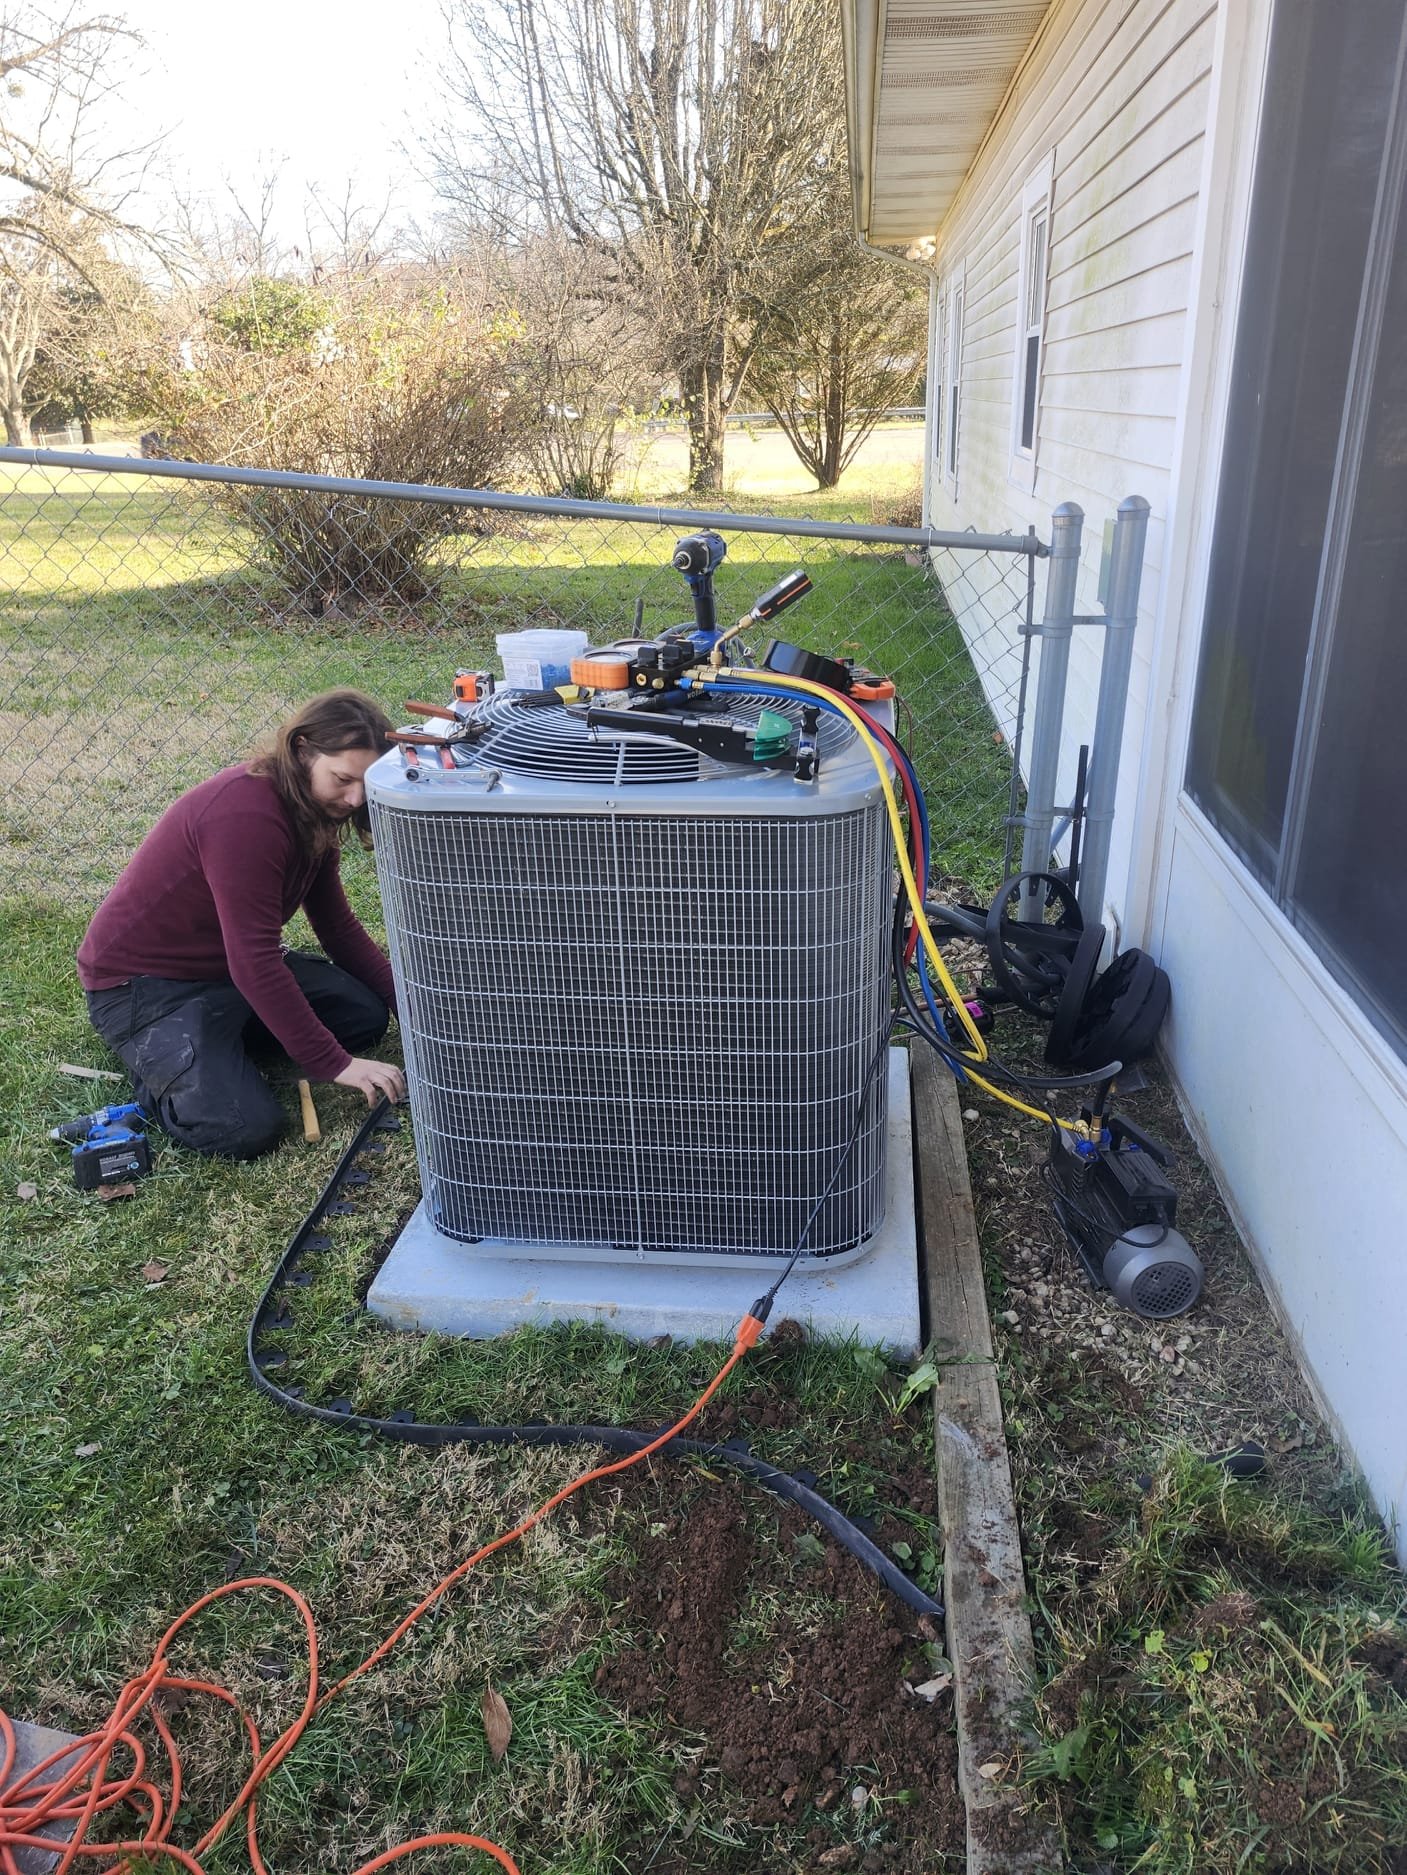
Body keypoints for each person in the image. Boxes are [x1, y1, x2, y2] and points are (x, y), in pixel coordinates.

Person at [77, 690, 407, 1160]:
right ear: (302, 751)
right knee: (241, 1129)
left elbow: (338, 928)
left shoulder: (311, 809)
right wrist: (331, 1063)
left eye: (365, 785)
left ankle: (218, 1044)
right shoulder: (246, 815)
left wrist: (412, 1011)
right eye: (343, 779)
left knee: (364, 1016)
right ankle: (165, 1066)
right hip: (143, 987)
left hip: (222, 971)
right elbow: (253, 961)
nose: (355, 798)